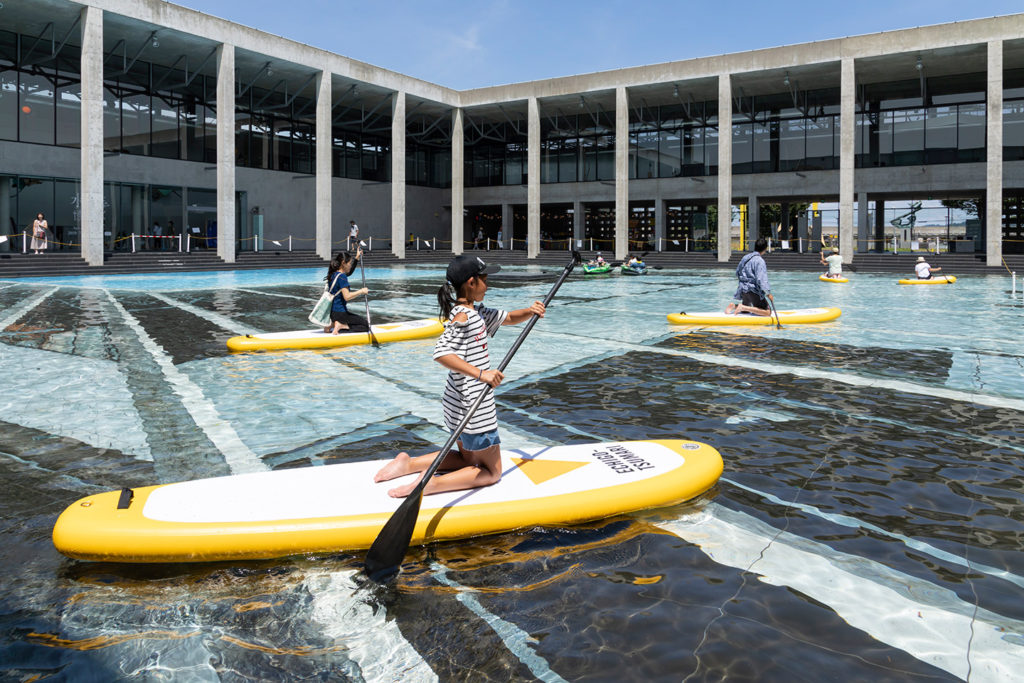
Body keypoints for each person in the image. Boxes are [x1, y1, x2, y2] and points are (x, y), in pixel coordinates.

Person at [374, 254, 546, 498]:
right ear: (471, 282)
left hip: (457, 401)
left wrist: (530, 311)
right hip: (474, 404)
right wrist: (482, 374)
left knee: (467, 459)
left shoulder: (475, 312)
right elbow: (441, 353)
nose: (488, 284)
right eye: (485, 279)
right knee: (492, 471)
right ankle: (430, 484)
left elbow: (508, 318)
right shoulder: (465, 317)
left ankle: (408, 464)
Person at [324, 248, 369, 334]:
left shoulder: (333, 274)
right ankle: (340, 325)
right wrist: (361, 291)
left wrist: (357, 258)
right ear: (343, 263)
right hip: (340, 313)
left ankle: (331, 324)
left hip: (332, 314)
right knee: (365, 325)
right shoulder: (342, 277)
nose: (350, 265)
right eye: (349, 263)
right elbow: (347, 297)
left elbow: (349, 272)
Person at [725, 237, 774, 316]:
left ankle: (734, 306)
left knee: (746, 312)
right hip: (753, 291)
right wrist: (768, 293)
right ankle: (742, 307)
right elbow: (761, 279)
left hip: (743, 289)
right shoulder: (759, 261)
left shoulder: (745, 257)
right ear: (765, 249)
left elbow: (737, 272)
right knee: (767, 312)